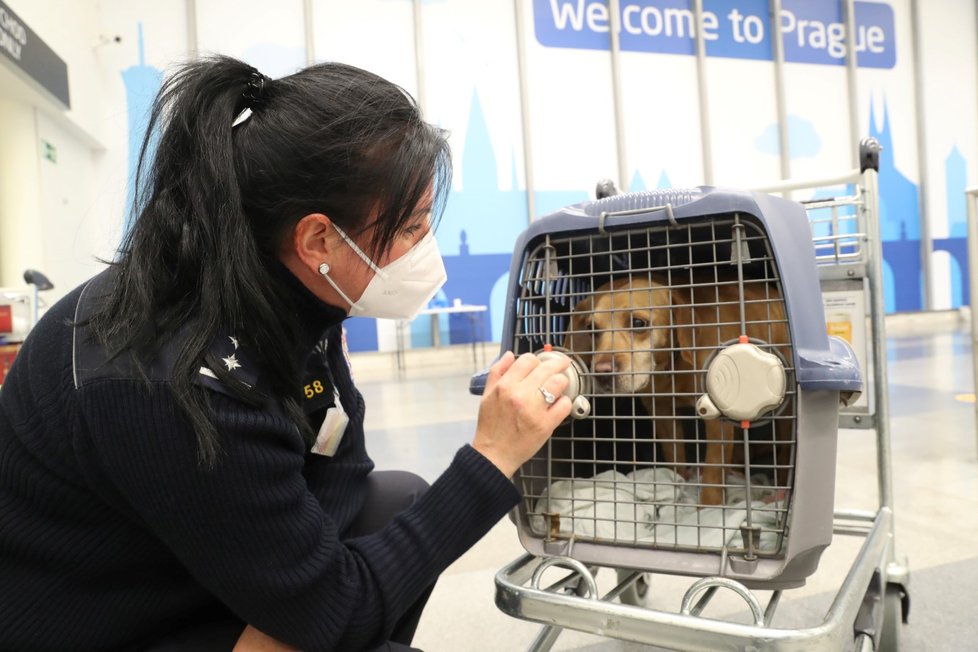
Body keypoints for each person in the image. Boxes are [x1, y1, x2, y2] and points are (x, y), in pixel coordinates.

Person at [0, 56, 572, 651]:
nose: (424, 247)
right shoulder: (173, 379)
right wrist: (493, 457)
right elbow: (338, 601)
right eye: (411, 226)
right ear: (318, 238)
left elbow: (344, 468)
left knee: (396, 500)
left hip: (188, 561)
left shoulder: (285, 291)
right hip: (97, 618)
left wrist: (312, 595)